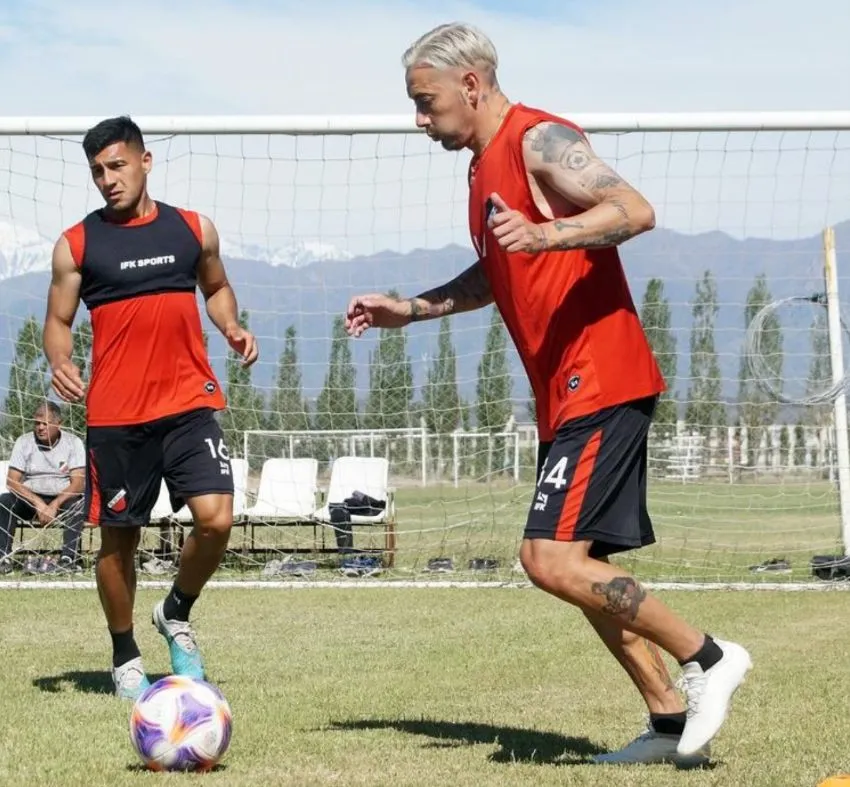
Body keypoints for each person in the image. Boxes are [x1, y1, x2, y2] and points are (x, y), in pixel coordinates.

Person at [344, 23, 752, 765]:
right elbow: (499, 271)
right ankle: (666, 719)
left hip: (602, 377)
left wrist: (549, 236)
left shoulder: (539, 139)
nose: (419, 119)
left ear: (470, 85)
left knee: (549, 559)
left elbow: (633, 209)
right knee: (581, 567)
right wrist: (412, 307)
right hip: (565, 395)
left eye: (425, 102)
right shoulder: (479, 170)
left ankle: (710, 657)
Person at [43, 116, 258, 700]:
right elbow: (58, 322)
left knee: (216, 520)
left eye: (116, 166)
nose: (107, 180)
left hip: (189, 403)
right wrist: (61, 360)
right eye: (97, 172)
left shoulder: (192, 229)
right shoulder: (78, 244)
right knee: (119, 541)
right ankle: (124, 654)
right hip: (116, 417)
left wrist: (232, 325)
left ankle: (176, 611)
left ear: (145, 161)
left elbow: (215, 286)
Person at [0, 401, 85, 574]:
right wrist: (39, 503)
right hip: (31, 500)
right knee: (4, 501)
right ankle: (3, 558)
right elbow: (13, 481)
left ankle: (68, 559)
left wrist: (54, 504)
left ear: (58, 423)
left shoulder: (73, 442)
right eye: (36, 423)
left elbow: (78, 482)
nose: (40, 428)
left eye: (45, 423)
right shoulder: (24, 442)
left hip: (62, 500)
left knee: (79, 504)